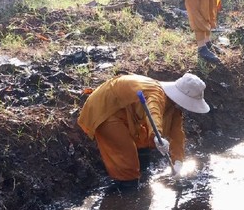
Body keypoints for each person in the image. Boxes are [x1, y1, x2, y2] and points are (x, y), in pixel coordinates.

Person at [78, 73, 210, 188]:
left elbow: (177, 133)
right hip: (105, 108)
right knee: (127, 162)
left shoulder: (173, 106)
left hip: (125, 111)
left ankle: (140, 163)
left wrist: (178, 162)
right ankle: (126, 187)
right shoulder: (156, 94)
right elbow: (153, 113)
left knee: (144, 138)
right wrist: (155, 136)